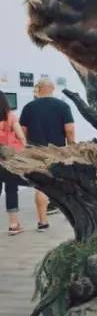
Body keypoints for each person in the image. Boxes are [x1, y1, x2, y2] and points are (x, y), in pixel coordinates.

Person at [20, 77, 75, 231]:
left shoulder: (28, 107)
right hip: (57, 151)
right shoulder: (63, 106)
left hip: (36, 151)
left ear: (39, 89)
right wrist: (72, 147)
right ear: (52, 89)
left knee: (41, 186)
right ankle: (71, 216)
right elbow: (69, 130)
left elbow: (23, 131)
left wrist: (28, 146)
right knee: (63, 183)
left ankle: (43, 222)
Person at [0, 90, 27, 235]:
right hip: (9, 159)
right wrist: (25, 149)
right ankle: (13, 224)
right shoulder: (10, 116)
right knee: (11, 189)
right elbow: (21, 136)